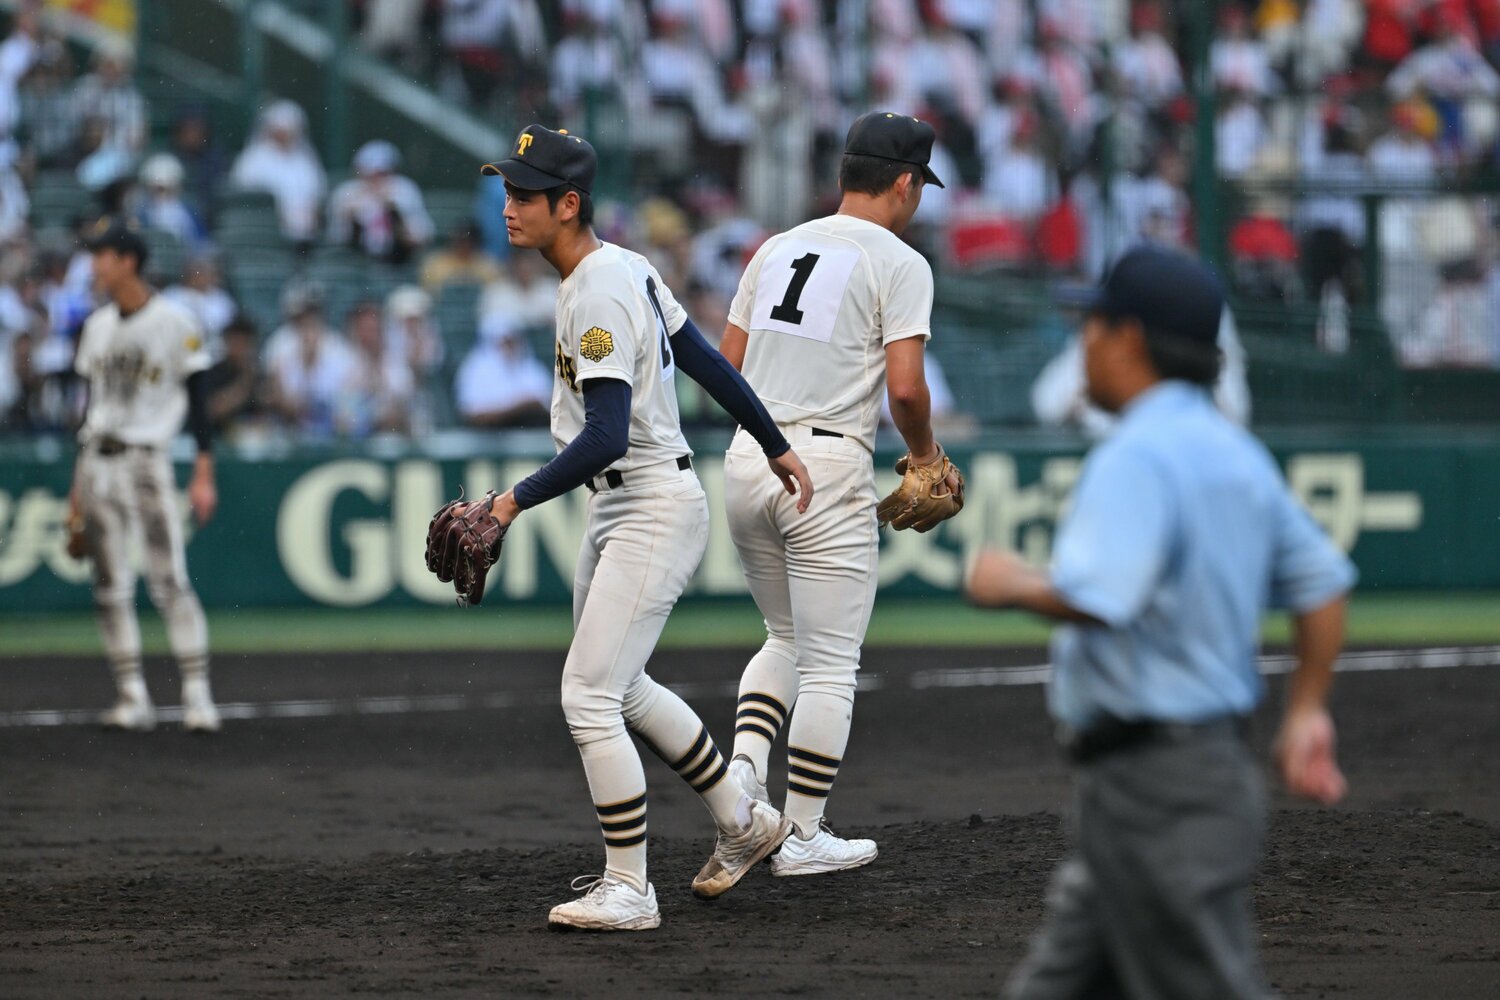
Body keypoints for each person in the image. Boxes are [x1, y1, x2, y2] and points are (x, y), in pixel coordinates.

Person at [965, 245, 1357, 1000]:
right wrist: (1305, 710)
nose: (1082, 339)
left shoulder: (1136, 454)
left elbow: (1101, 594)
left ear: (1130, 339)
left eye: (1094, 323)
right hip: (1178, 786)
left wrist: (1008, 581)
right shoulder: (1235, 452)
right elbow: (1324, 583)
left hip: (1160, 793)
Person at [466, 125, 813, 931]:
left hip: (648, 501)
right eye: (508, 191)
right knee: (619, 689)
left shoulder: (597, 285)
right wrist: (773, 440)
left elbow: (606, 434)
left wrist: (509, 502)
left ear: (569, 203)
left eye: (524, 195)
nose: (508, 207)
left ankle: (630, 887)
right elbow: (703, 360)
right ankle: (744, 819)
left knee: (586, 696)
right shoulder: (623, 268)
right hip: (625, 502)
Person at [717, 111, 961, 876]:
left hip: (748, 459)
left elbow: (725, 368)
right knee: (829, 665)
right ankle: (802, 835)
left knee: (783, 638)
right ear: (905, 183)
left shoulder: (776, 247)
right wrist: (927, 455)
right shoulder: (900, 260)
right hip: (823, 469)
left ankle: (744, 781)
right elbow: (908, 391)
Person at [67, 219, 222, 733]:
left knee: (169, 580)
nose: (95, 265)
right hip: (98, 461)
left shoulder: (174, 320)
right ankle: (132, 696)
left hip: (146, 462)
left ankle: (197, 697)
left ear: (127, 260)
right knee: (109, 584)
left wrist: (204, 470)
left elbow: (200, 399)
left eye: (102, 255)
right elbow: (90, 412)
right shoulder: (98, 326)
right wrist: (75, 492)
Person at [326, 140, 434, 264]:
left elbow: (421, 236)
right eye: (370, 174)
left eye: (382, 174)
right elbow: (335, 237)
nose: (376, 179)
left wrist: (394, 214)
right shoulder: (346, 192)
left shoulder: (404, 189)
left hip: (397, 261)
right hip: (355, 260)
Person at [454, 313, 551, 428]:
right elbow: (473, 415)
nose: (509, 346)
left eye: (513, 340)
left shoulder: (531, 368)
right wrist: (518, 407)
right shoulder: (474, 369)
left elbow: (549, 409)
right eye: (505, 341)